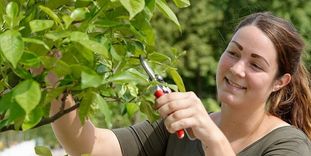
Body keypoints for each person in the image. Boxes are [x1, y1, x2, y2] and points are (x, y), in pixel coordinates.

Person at [50, 12, 311, 156]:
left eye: (256, 64)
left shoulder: (289, 146)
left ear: (280, 82)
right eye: (233, 52)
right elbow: (88, 147)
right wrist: (51, 70)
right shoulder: (179, 128)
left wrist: (209, 134)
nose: (237, 69)